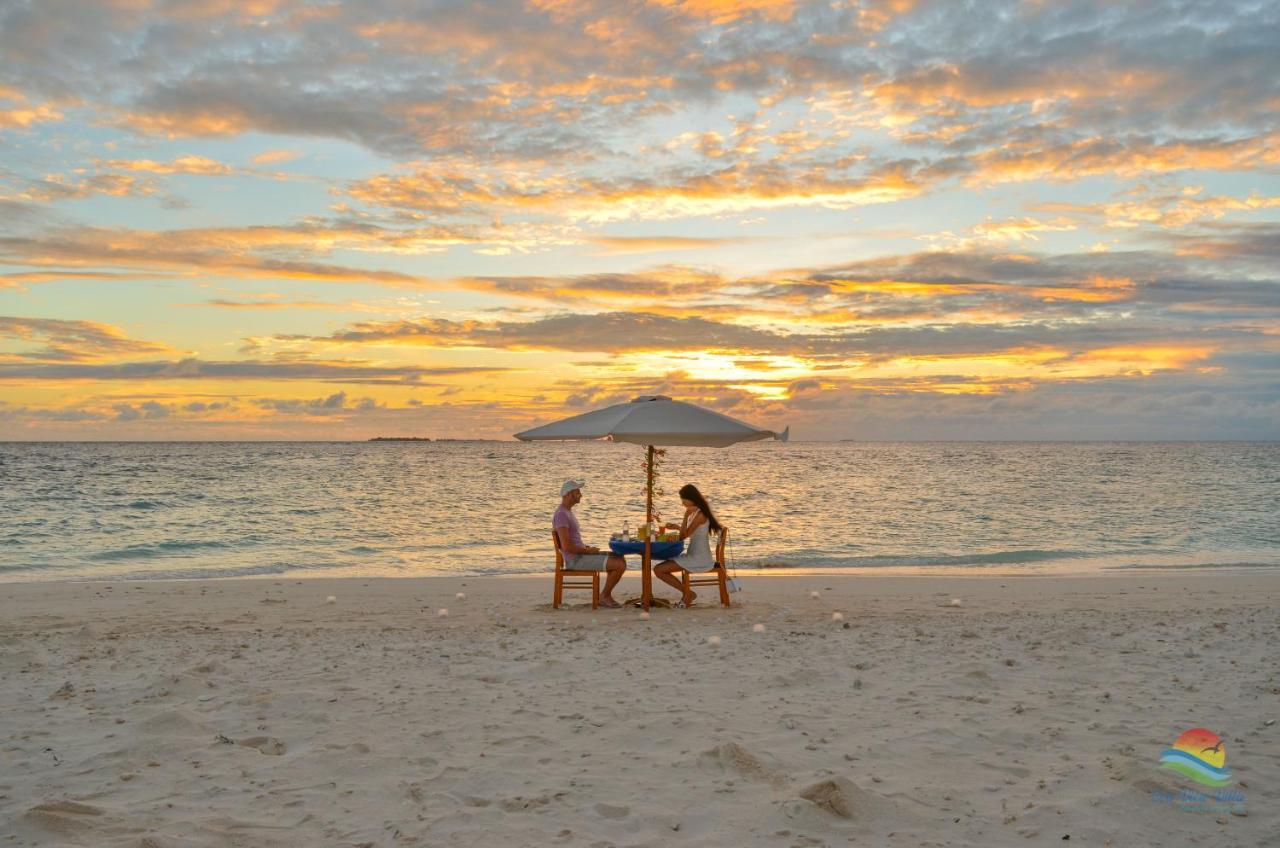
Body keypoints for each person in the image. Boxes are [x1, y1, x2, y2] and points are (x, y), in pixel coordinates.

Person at [553, 480, 627, 608]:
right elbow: (566, 547)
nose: (581, 495)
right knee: (619, 565)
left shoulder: (567, 512)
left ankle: (605, 595)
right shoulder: (561, 515)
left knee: (619, 557)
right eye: (578, 492)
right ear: (569, 494)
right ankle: (604, 596)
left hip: (581, 555)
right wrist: (588, 551)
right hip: (575, 560)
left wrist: (587, 548)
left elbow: (572, 541)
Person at [654, 483, 721, 606]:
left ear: (691, 498)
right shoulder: (696, 513)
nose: (682, 503)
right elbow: (687, 533)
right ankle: (688, 593)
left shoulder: (700, 515)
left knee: (659, 570)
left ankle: (688, 593)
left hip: (699, 559)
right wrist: (678, 526)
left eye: (684, 499)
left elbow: (684, 536)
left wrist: (685, 516)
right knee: (659, 569)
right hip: (693, 555)